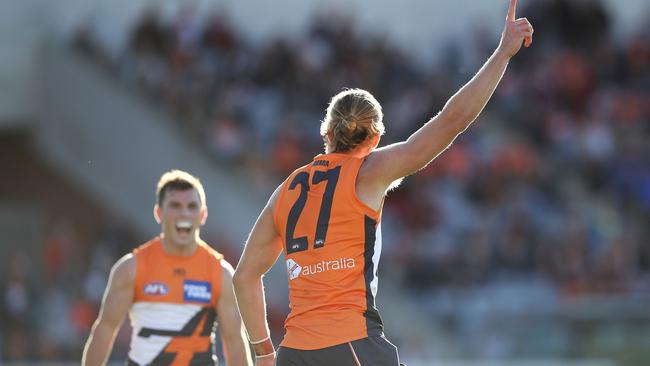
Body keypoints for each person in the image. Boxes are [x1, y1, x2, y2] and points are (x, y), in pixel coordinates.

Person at [233, 0, 533, 364]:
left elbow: (244, 276)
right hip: (353, 344)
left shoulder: (286, 190)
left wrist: (264, 353)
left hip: (295, 353)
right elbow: (452, 120)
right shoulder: (369, 172)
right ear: (375, 139)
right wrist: (502, 54)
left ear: (326, 131)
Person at [82, 170, 252, 366]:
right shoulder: (130, 268)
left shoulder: (220, 272)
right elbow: (104, 331)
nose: (184, 213)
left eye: (191, 206)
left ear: (203, 214)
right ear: (158, 213)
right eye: (175, 206)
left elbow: (235, 343)